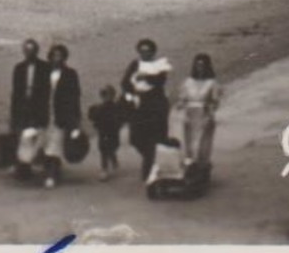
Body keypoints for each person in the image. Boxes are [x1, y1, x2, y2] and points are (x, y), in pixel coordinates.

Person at [121, 38, 173, 180]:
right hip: (139, 103)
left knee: (155, 136)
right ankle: (149, 157)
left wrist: (144, 77)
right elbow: (125, 82)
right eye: (142, 51)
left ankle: (150, 166)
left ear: (153, 52)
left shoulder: (159, 65)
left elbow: (159, 82)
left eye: (147, 51)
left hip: (155, 104)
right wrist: (131, 92)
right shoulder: (135, 64)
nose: (144, 54)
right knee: (136, 138)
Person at [40, 43, 82, 189]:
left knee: (55, 144)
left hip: (60, 114)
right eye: (54, 55)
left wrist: (76, 120)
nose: (56, 58)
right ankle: (52, 170)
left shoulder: (70, 74)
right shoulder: (44, 72)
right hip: (44, 112)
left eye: (60, 56)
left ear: (64, 57)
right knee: (46, 143)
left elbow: (75, 96)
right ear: (50, 57)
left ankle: (51, 174)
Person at [9, 37, 50, 180]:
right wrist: (13, 114)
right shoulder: (19, 68)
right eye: (26, 50)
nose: (29, 53)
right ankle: (23, 168)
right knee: (23, 137)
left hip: (38, 105)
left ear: (36, 51)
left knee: (39, 136)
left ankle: (43, 166)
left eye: (31, 50)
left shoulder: (45, 67)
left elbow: (47, 90)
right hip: (23, 105)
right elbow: (15, 93)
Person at [176, 52, 222, 171]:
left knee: (202, 142)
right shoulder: (188, 82)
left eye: (203, 65)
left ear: (207, 67)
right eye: (198, 65)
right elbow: (182, 98)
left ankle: (202, 165)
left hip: (204, 114)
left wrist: (210, 111)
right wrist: (180, 105)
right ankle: (190, 164)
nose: (200, 68)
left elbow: (215, 101)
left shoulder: (212, 83)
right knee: (188, 140)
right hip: (189, 114)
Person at [87, 84, 124, 179]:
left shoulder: (114, 108)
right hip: (104, 131)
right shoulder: (100, 108)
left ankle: (112, 160)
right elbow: (93, 117)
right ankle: (104, 168)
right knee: (104, 150)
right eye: (103, 95)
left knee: (111, 148)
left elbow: (120, 119)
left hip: (111, 131)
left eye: (106, 95)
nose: (105, 97)